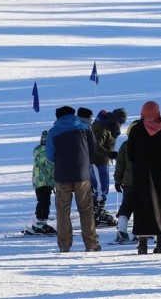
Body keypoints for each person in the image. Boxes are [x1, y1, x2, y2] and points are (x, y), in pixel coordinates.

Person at [45, 106, 100, 253]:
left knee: (63, 211)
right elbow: (93, 149)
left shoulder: (53, 132)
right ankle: (91, 244)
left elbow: (49, 155)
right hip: (82, 175)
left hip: (62, 176)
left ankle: (64, 246)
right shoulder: (84, 128)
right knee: (86, 209)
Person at [128, 101, 161, 254]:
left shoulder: (136, 130)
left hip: (142, 174)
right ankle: (160, 243)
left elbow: (130, 154)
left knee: (143, 207)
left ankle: (142, 244)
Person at [90, 107, 127, 227]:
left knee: (102, 187)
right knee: (101, 188)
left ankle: (98, 211)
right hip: (96, 161)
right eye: (119, 122)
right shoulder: (101, 127)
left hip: (103, 161)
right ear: (113, 119)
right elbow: (95, 147)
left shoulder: (110, 127)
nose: (120, 125)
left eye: (122, 123)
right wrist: (110, 153)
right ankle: (97, 213)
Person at [113, 120, 139, 243]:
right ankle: (140, 233)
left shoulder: (125, 145)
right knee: (142, 206)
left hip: (128, 183)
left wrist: (117, 180)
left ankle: (122, 231)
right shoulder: (147, 145)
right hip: (144, 182)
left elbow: (120, 165)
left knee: (126, 206)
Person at [29, 130, 56, 235]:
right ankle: (41, 222)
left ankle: (38, 221)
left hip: (38, 182)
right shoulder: (47, 152)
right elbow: (50, 168)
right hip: (45, 181)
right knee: (45, 202)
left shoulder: (39, 151)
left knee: (41, 201)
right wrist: (56, 176)